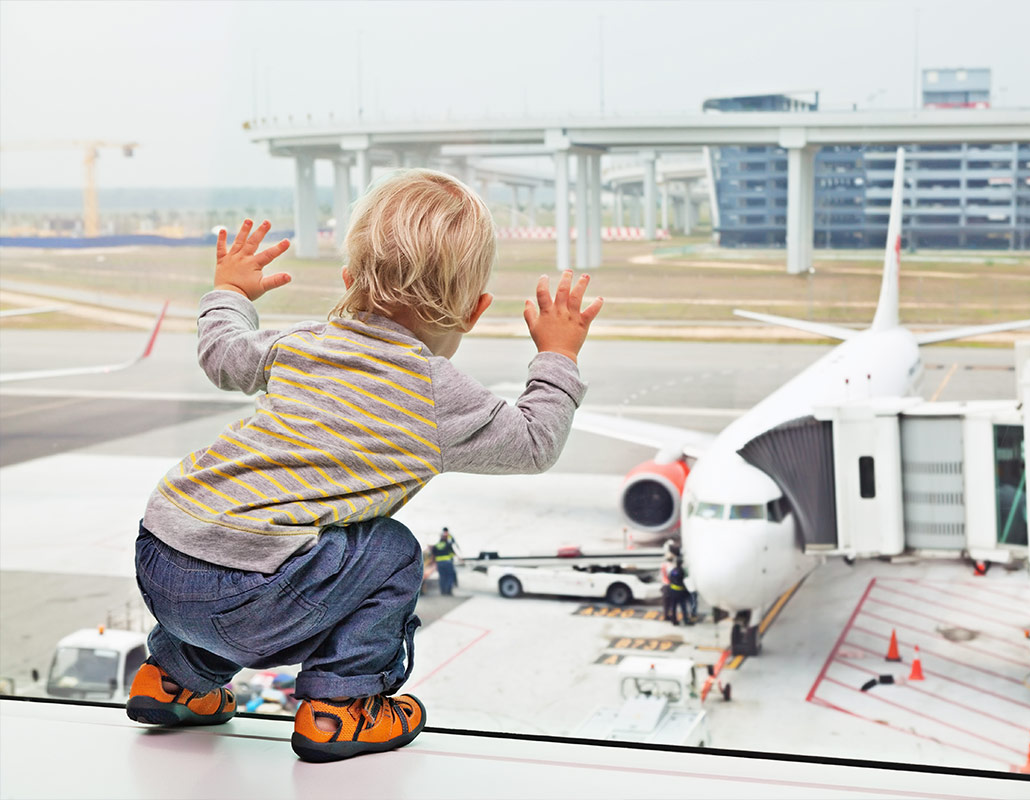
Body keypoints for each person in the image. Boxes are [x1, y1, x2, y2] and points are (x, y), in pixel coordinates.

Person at [124, 169, 603, 763]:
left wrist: (231, 293)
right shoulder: (434, 392)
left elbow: (222, 355)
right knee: (390, 552)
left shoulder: (302, 342)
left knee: (280, 543)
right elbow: (535, 442)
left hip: (162, 554)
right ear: (475, 311)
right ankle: (341, 708)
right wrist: (557, 355)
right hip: (251, 592)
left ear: (349, 279)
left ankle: (172, 678)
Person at [430, 529, 458, 595]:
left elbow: (433, 556)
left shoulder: (436, 545)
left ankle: (443, 591)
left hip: (439, 563)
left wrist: (434, 563)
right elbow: (453, 553)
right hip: (447, 563)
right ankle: (448, 591)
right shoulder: (448, 544)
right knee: (449, 577)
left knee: (442, 577)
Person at [667, 560, 694, 626]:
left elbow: (670, 578)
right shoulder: (682, 571)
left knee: (673, 607)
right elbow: (686, 580)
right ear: (681, 564)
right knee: (683, 606)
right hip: (680, 592)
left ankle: (674, 621)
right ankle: (685, 620)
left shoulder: (673, 570)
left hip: (673, 591)